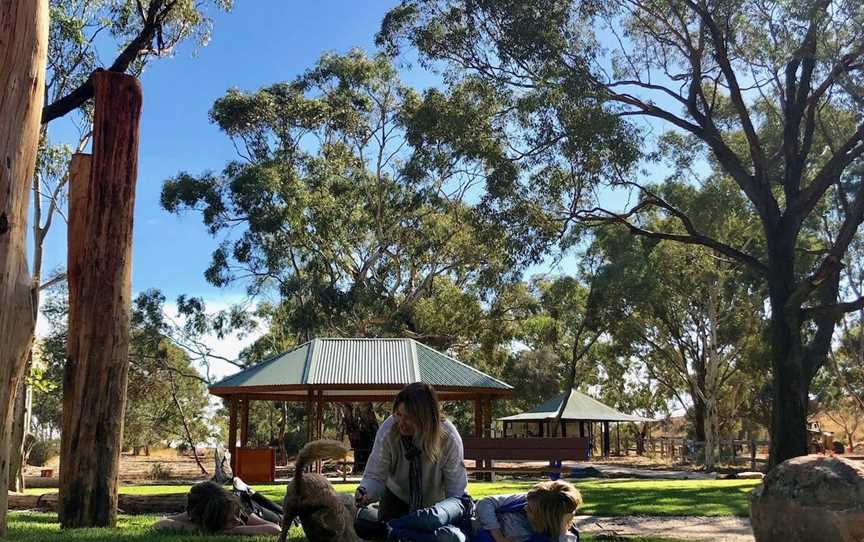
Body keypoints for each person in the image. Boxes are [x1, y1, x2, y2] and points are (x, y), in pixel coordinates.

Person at [354, 382, 471, 542]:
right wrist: (365, 492)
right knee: (389, 535)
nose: (401, 422)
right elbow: (375, 475)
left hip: (435, 505)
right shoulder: (389, 430)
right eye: (398, 414)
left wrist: (450, 517)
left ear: (425, 417)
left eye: (408, 417)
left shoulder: (449, 438)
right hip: (396, 495)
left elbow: (456, 490)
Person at [153, 478, 283, 536]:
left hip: (262, 512)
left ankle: (248, 492)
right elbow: (159, 524)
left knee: (283, 514)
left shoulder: (239, 510)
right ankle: (246, 490)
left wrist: (234, 530)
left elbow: (275, 529)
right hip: (240, 501)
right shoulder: (196, 514)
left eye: (235, 515)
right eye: (230, 520)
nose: (238, 520)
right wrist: (207, 529)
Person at [474, 480, 583, 542]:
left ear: (544, 519)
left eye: (530, 510)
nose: (525, 508)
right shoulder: (532, 499)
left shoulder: (550, 537)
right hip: (472, 518)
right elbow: (485, 503)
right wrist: (498, 536)